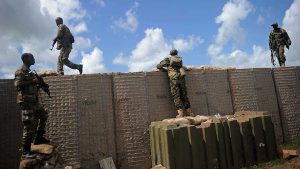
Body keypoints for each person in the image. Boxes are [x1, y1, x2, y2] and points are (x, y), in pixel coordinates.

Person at [14, 53, 50, 159]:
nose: (34, 59)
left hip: (34, 102)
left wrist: (39, 85)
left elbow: (32, 86)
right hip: (26, 103)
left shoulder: (30, 72)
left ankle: (39, 138)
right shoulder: (20, 71)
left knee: (44, 115)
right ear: (25, 59)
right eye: (32, 58)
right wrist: (32, 81)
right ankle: (26, 151)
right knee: (28, 126)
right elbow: (18, 84)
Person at [156, 49, 194, 117]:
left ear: (170, 54)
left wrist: (166, 70)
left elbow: (159, 66)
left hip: (174, 79)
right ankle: (190, 112)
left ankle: (180, 113)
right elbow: (182, 67)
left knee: (176, 95)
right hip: (181, 78)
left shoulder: (168, 59)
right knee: (184, 95)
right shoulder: (179, 59)